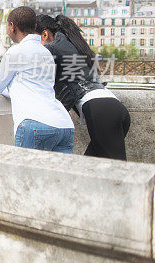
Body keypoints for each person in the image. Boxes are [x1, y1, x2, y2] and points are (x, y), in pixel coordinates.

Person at [0, 6, 74, 153]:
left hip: (35, 123)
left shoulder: (15, 52)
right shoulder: (46, 52)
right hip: (64, 125)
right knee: (57, 176)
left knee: (24, 175)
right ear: (34, 26)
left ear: (12, 26)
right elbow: (27, 88)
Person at [35, 14, 130, 160]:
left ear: (45, 34)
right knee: (89, 167)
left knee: (117, 172)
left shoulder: (52, 48)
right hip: (113, 107)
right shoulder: (73, 44)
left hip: (100, 112)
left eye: (34, 39)